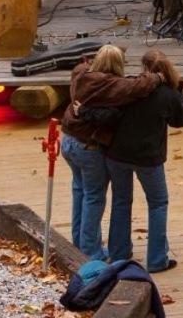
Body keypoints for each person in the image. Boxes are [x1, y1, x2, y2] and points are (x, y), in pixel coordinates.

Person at [60, 45, 162, 259]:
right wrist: (159, 76)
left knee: (80, 192)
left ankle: (78, 243)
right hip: (88, 147)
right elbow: (137, 86)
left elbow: (82, 65)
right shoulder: (111, 85)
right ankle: (90, 252)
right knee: (94, 197)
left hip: (68, 141)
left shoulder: (80, 74)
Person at [105, 51, 183, 272]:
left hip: (117, 153)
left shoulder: (129, 87)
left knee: (121, 201)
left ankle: (118, 254)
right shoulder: (168, 94)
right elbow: (181, 120)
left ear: (144, 68)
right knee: (158, 203)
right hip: (148, 158)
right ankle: (156, 260)